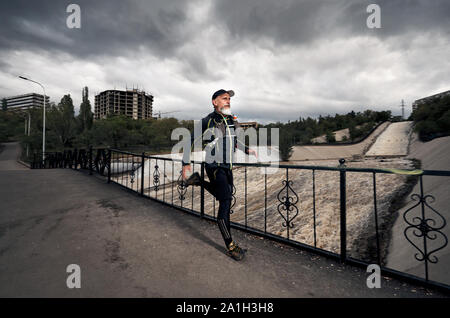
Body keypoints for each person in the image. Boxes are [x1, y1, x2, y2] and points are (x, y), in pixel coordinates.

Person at [181, 89, 257, 261]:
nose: (228, 101)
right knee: (225, 202)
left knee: (225, 196)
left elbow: (234, 141)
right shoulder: (208, 120)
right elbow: (189, 140)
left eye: (229, 99)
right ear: (215, 102)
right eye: (224, 98)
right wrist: (185, 163)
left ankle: (199, 181)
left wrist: (247, 150)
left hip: (228, 166)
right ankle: (230, 246)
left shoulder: (231, 120)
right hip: (214, 165)